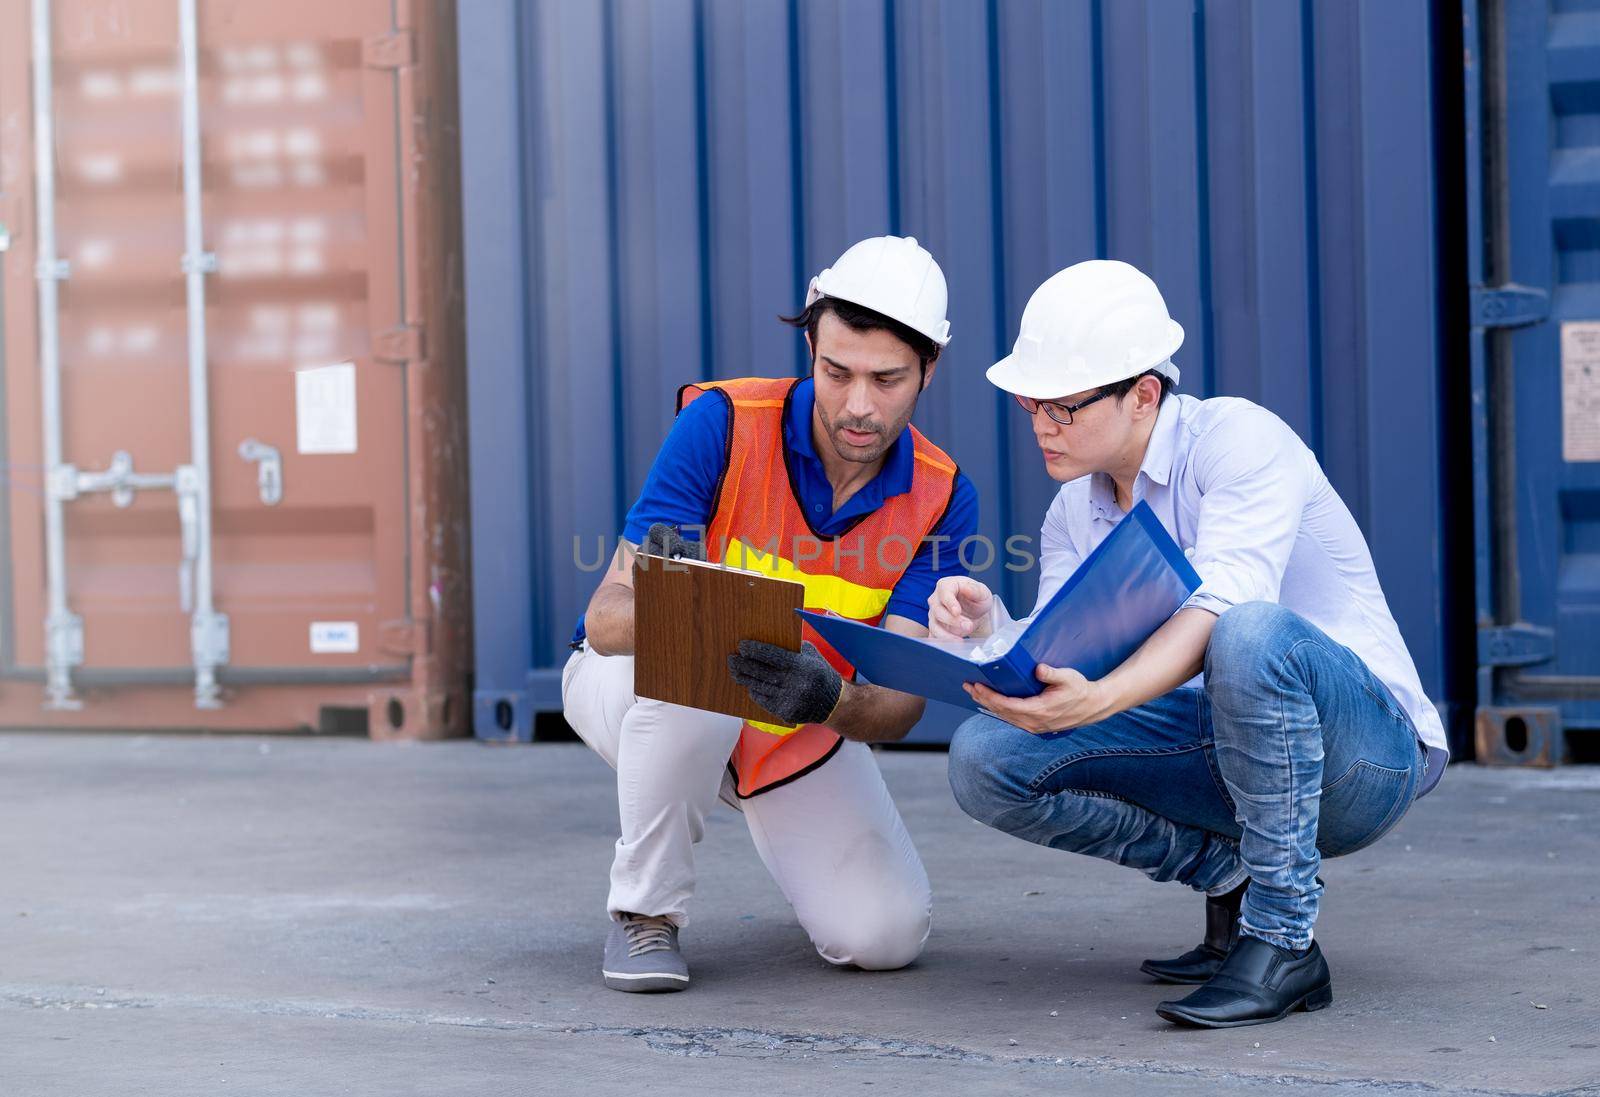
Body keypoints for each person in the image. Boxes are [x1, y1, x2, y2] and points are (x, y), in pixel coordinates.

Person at [937, 259, 1448, 1028]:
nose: (1042, 421)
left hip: (1361, 757)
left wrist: (1103, 698)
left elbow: (1224, 607)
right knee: (984, 757)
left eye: (1064, 405)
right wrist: (990, 632)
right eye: (1030, 401)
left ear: (1143, 394)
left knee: (1247, 631)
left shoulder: (1238, 440)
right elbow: (1068, 658)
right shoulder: (1074, 509)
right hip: (1225, 750)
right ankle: (1230, 875)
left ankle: (1284, 942)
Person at [562, 236, 980, 993]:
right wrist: (674, 601)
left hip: (792, 720)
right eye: (836, 371)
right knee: (702, 679)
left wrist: (829, 698)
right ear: (810, 347)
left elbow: (899, 707)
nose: (858, 404)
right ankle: (645, 915)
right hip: (639, 691)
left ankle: (741, 784)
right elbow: (603, 621)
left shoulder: (942, 497)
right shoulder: (722, 423)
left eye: (887, 379)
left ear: (929, 370)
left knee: (885, 934)